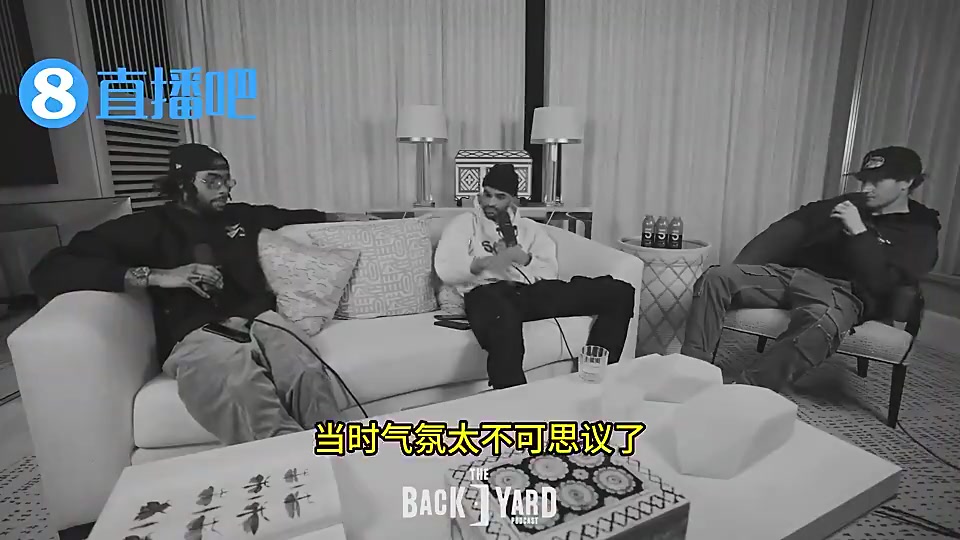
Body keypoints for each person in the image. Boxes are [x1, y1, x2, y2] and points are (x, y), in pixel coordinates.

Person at [29, 143, 370, 445]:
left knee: (305, 371)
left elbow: (299, 216)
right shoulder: (148, 226)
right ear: (182, 185)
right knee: (240, 385)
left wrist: (359, 219)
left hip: (262, 319)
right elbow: (49, 269)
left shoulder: (241, 216)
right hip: (198, 332)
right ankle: (293, 466)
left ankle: (344, 454)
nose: (225, 189)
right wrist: (159, 276)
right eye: (212, 181)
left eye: (228, 180)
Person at [681, 146, 941, 391]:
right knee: (717, 277)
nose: (866, 188)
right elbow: (800, 221)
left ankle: (748, 390)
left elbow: (882, 282)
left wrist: (859, 232)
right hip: (794, 276)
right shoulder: (853, 203)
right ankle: (692, 372)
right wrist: (748, 261)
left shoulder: (920, 231)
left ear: (906, 182)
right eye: (864, 180)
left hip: (846, 294)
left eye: (878, 181)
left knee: (820, 325)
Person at [434, 164, 636, 389]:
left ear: (513, 200)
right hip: (483, 293)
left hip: (526, 293)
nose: (491, 202)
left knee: (619, 292)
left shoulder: (530, 230)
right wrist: (486, 262)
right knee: (503, 320)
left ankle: (597, 379)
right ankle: (514, 398)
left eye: (500, 197)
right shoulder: (465, 223)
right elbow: (446, 267)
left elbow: (549, 273)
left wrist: (525, 259)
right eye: (487, 194)